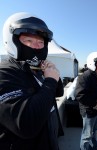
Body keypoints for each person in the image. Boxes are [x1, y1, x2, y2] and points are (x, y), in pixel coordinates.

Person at [0, 12, 64, 150]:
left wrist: (52, 76)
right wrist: (50, 81)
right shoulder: (4, 73)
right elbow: (25, 124)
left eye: (41, 42)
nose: (36, 46)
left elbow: (57, 93)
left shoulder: (34, 69)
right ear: (13, 40)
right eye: (28, 40)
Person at [75, 52, 97, 150]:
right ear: (92, 64)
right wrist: (93, 103)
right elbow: (79, 94)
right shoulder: (85, 76)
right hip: (89, 111)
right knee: (87, 135)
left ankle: (94, 147)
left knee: (94, 132)